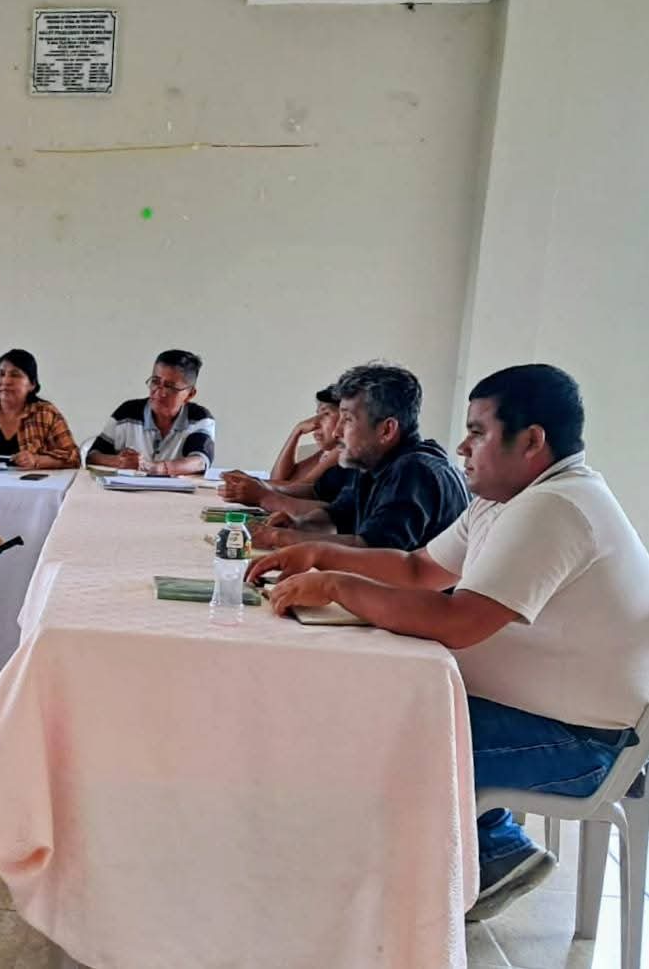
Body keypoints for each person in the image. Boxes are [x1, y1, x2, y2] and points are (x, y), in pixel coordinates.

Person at [250, 364, 649, 922]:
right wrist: (320, 555)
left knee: (379, 741)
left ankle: (458, 870)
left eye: (478, 432)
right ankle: (491, 851)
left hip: (584, 744)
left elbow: (457, 621)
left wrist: (338, 585)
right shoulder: (506, 497)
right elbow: (419, 569)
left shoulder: (559, 506)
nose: (462, 446)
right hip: (533, 713)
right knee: (383, 710)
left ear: (532, 440)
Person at [251, 363, 467, 552]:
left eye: (347, 419)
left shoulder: (414, 471)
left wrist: (283, 538)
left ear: (386, 430)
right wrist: (299, 525)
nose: (337, 432)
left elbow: (371, 551)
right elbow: (336, 516)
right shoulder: (372, 463)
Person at [221, 385, 356, 517]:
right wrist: (296, 432)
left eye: (326, 414)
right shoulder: (325, 453)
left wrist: (257, 486)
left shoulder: (342, 451)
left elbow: (303, 487)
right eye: (317, 414)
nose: (315, 422)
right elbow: (279, 479)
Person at [86, 349, 214, 476]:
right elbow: (92, 456)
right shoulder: (127, 412)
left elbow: (200, 462)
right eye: (155, 382)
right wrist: (119, 461)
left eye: (169, 386)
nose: (159, 392)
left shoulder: (199, 417)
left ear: (190, 394)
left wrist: (157, 468)